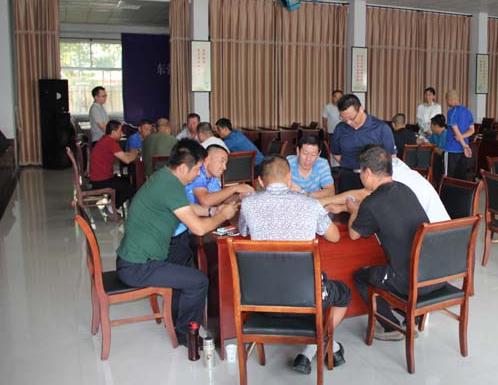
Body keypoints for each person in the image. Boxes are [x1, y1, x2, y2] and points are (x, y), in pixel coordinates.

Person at [116, 139, 239, 346]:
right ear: (182, 168)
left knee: (185, 266)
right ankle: (187, 336)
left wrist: (211, 211)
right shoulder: (170, 186)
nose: (198, 175)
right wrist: (222, 215)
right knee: (199, 281)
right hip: (139, 266)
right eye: (197, 169)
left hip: (136, 259)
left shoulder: (164, 177)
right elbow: (199, 228)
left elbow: (186, 208)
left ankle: (179, 323)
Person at [238, 155, 350, 374]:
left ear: (260, 181)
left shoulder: (248, 204)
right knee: (343, 293)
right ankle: (318, 346)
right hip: (307, 298)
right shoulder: (310, 204)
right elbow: (335, 236)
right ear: (290, 177)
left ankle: (313, 349)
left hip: (259, 298)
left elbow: (243, 231)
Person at [348, 146, 438, 341]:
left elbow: (354, 234)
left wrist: (354, 210)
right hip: (435, 274)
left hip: (410, 281)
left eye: (360, 172)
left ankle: (390, 327)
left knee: (361, 276)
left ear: (368, 173)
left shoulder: (372, 203)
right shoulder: (405, 189)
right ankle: (412, 319)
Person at [320, 149, 449, 224]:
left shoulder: (389, 177)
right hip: (443, 228)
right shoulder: (394, 165)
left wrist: (322, 202)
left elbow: (362, 194)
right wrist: (342, 207)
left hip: (430, 232)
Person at [172, 145, 254, 262]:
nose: (224, 167)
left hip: (202, 218)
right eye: (222, 161)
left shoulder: (211, 178)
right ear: (207, 159)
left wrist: (239, 197)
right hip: (185, 226)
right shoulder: (198, 173)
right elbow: (205, 201)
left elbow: (220, 199)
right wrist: (235, 188)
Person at [330, 94, 396, 192]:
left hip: (373, 178)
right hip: (348, 176)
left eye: (352, 118)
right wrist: (351, 166)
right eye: (343, 118)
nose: (348, 122)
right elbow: (336, 154)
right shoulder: (340, 129)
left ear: (361, 109)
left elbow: (391, 156)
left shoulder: (381, 128)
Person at [89, 120, 138, 210]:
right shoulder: (110, 142)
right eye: (120, 131)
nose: (122, 133)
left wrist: (131, 153)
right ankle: (113, 207)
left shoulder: (105, 139)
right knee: (131, 188)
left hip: (99, 177)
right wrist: (135, 153)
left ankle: (113, 203)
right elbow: (127, 160)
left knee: (128, 181)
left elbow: (123, 155)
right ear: (113, 132)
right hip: (101, 181)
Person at [443, 89, 475, 180]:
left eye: (446, 100)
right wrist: (463, 139)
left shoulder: (451, 112)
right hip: (463, 151)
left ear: (449, 100)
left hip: (452, 149)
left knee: (449, 178)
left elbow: (455, 130)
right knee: (461, 178)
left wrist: (464, 145)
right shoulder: (468, 111)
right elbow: (472, 130)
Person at [426, 114, 447, 185]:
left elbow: (442, 152)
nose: (430, 128)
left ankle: (438, 183)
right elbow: (428, 141)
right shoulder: (435, 134)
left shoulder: (446, 134)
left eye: (431, 125)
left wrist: (431, 146)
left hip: (444, 159)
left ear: (436, 126)